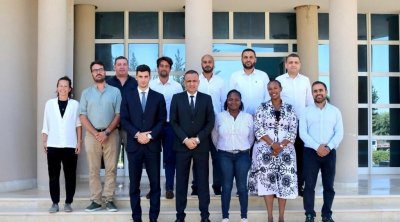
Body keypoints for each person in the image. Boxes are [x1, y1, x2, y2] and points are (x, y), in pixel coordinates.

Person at [121, 64, 166, 222]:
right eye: (140, 76)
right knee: (134, 185)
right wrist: (137, 134)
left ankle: (153, 218)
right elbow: (124, 119)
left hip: (152, 146)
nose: (143, 79)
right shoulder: (127, 95)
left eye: (146, 76)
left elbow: (161, 120)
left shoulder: (158, 97)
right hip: (134, 146)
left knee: (155, 185)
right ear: (136, 77)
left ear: (150, 76)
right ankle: (137, 218)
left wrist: (151, 135)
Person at [248, 80, 298, 222]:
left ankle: (281, 217)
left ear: (280, 88)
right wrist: (272, 144)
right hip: (265, 150)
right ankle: (270, 216)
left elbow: (293, 129)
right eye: (269, 88)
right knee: (267, 183)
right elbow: (258, 128)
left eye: (275, 87)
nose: (272, 90)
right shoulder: (262, 107)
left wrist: (281, 146)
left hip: (286, 151)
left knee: (284, 181)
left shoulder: (290, 108)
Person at [170, 70, 215, 222]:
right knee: (181, 183)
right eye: (188, 81)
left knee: (202, 183)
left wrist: (197, 139)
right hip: (181, 147)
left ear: (198, 82)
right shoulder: (177, 98)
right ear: (184, 82)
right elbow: (173, 122)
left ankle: (205, 216)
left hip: (201, 147)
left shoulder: (206, 99)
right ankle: (180, 216)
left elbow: (210, 122)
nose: (191, 83)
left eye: (194, 81)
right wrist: (185, 139)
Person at [80, 60, 122, 212]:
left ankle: (109, 199)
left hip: (111, 134)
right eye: (95, 70)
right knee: (94, 169)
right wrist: (96, 133)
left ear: (105, 72)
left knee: (111, 168)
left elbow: (118, 114)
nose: (98, 72)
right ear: (92, 73)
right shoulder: (86, 93)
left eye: (101, 69)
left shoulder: (115, 92)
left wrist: (107, 132)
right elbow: (82, 116)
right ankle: (96, 201)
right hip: (92, 135)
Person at [300, 81, 343, 222]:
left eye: (321, 90)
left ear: (326, 91)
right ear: (312, 94)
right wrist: (317, 147)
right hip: (310, 152)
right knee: (309, 186)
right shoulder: (305, 111)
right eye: (315, 91)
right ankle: (309, 214)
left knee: (329, 186)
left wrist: (328, 147)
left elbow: (339, 133)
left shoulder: (335, 111)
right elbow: (303, 133)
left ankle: (326, 215)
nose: (318, 93)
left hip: (329, 153)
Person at [212, 89, 254, 222]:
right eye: (230, 99)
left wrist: (243, 148)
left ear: (240, 101)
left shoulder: (247, 117)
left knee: (242, 186)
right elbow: (215, 136)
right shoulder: (219, 116)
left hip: (242, 155)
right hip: (224, 155)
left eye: (236, 99)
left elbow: (251, 137)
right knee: (227, 186)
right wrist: (223, 148)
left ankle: (244, 217)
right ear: (226, 101)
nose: (233, 102)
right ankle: (225, 217)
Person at [41, 76, 82, 213]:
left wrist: (79, 142)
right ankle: (55, 203)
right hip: (53, 144)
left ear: (70, 89)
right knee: (53, 175)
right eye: (60, 85)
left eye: (66, 86)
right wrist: (44, 141)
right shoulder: (49, 104)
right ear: (57, 88)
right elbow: (45, 124)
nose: (63, 88)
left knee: (70, 175)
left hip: (70, 145)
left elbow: (78, 125)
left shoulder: (75, 104)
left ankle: (68, 202)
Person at [276, 53, 313, 196]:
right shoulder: (279, 80)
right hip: (283, 125)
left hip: (301, 123)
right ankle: (280, 185)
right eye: (290, 62)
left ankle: (299, 185)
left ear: (299, 65)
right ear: (285, 65)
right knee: (282, 155)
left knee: (301, 156)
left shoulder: (305, 80)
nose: (293, 64)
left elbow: (309, 102)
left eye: (296, 62)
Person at [149, 56, 183, 199]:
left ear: (170, 69)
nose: (164, 68)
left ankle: (169, 187)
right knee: (153, 158)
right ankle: (154, 188)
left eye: (166, 66)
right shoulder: (150, 85)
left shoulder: (177, 86)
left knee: (170, 158)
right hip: (154, 127)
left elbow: (181, 108)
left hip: (170, 126)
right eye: (161, 66)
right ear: (158, 68)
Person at [193, 54, 225, 196]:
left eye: (209, 62)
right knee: (198, 158)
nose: (207, 64)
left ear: (214, 64)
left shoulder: (221, 82)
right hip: (198, 125)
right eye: (204, 62)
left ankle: (217, 185)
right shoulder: (196, 80)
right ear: (201, 63)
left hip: (216, 124)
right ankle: (196, 186)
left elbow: (224, 103)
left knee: (217, 157)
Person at [106, 56, 138, 174]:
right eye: (119, 64)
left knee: (133, 159)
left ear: (128, 66)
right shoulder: (108, 83)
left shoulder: (135, 83)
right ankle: (110, 190)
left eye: (124, 64)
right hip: (112, 127)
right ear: (114, 67)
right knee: (111, 161)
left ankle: (134, 188)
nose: (122, 66)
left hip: (130, 127)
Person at [230, 48, 270, 116]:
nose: (248, 60)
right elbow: (230, 97)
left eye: (251, 57)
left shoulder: (263, 75)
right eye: (245, 57)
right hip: (241, 116)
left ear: (255, 59)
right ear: (242, 60)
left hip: (261, 116)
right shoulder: (234, 76)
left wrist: (263, 112)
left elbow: (268, 96)